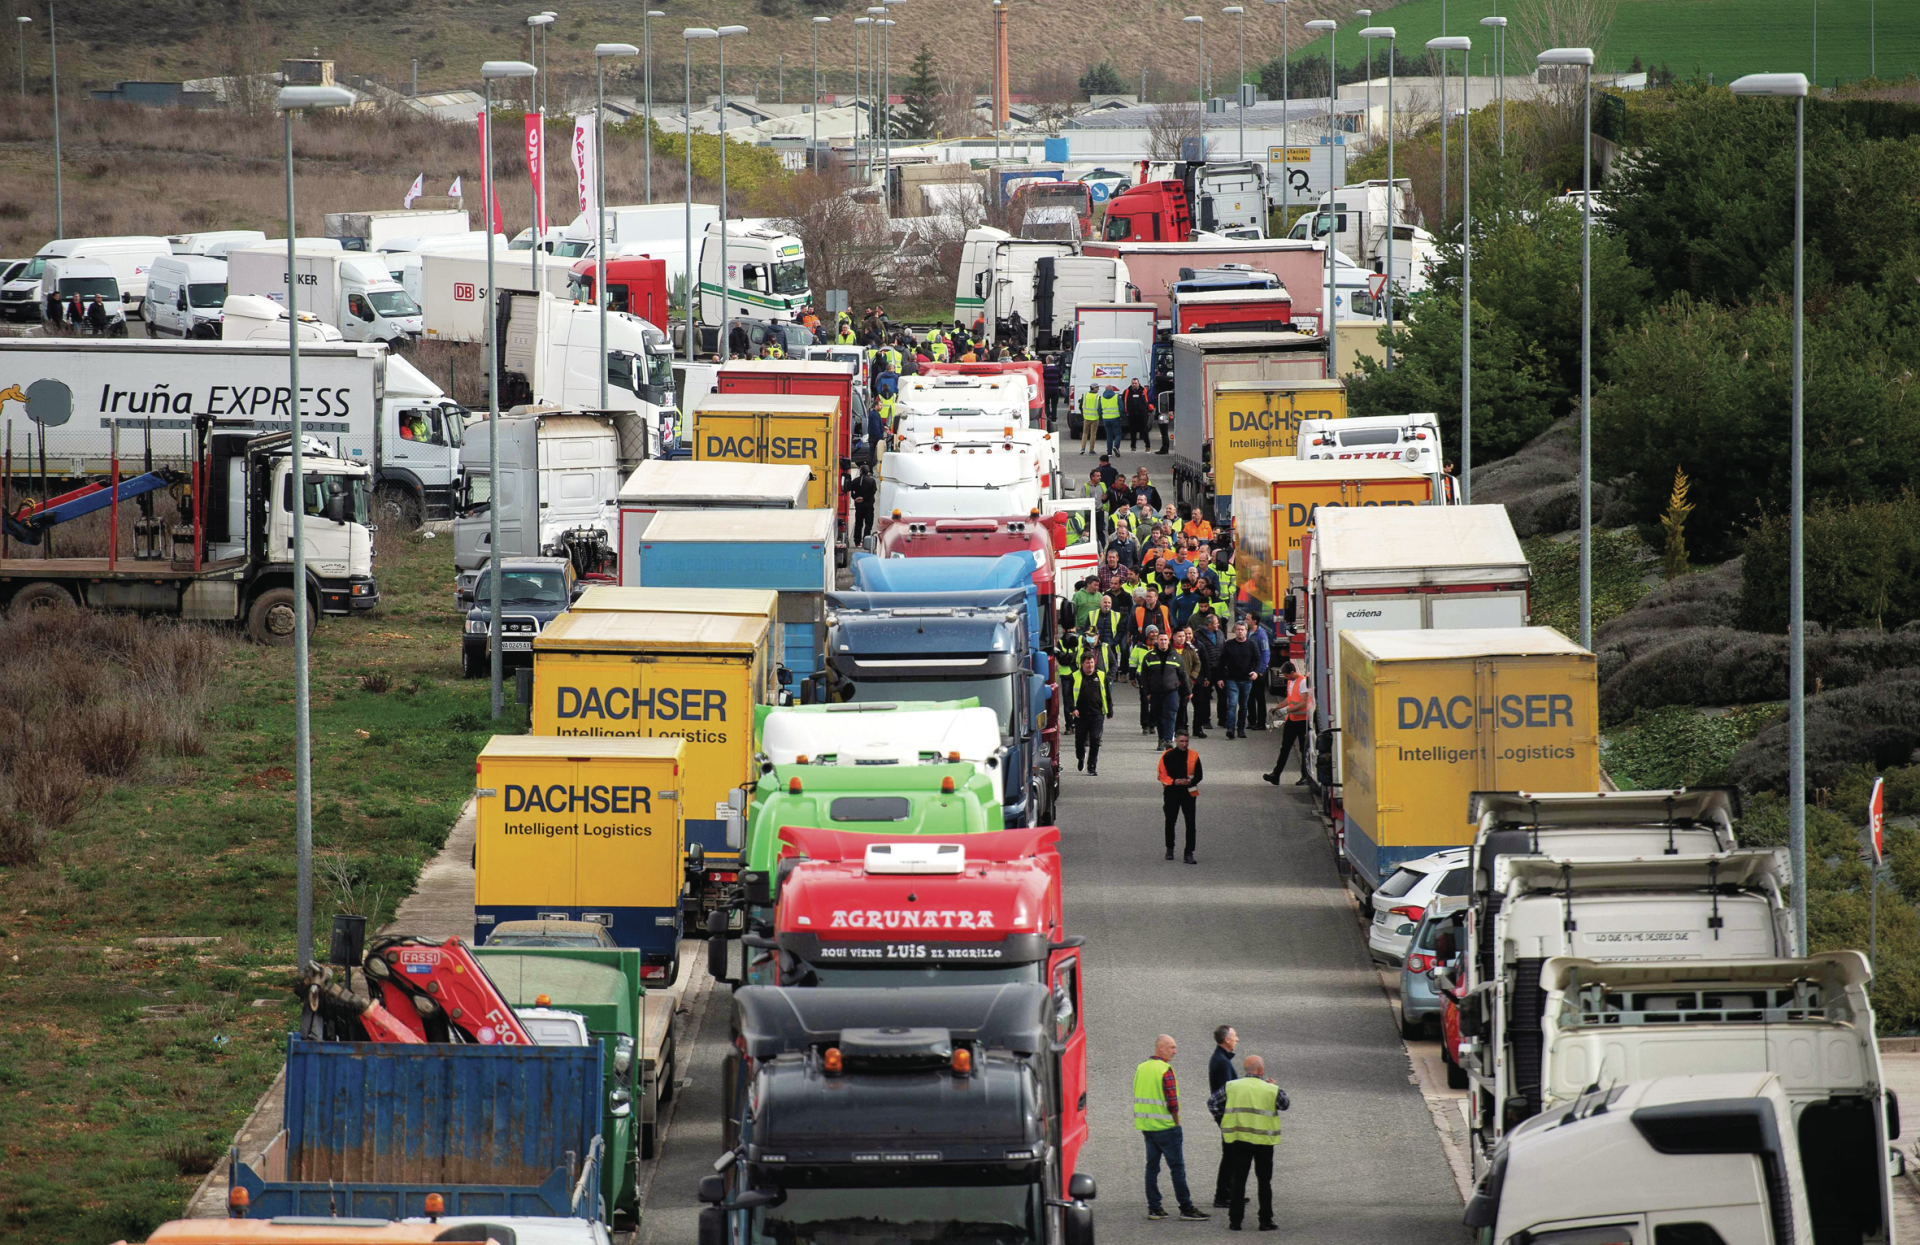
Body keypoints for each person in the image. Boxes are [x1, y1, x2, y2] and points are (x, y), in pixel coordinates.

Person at [1134, 1035, 1208, 1222]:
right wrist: (1176, 1122)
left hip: (1147, 1126)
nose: (1175, 1051)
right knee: (1177, 1168)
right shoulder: (1165, 1070)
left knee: (1152, 1168)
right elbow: (1172, 1102)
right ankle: (1186, 1207)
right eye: (1172, 1047)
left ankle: (1154, 1208)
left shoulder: (1141, 1068)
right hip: (1166, 1127)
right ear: (1160, 1047)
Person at [1219, 1055, 1286, 1231]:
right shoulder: (1270, 1089)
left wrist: (1224, 1120)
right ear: (1261, 1071)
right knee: (1264, 1182)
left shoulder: (1232, 1086)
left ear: (1246, 1070)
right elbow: (1285, 1104)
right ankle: (1265, 1220)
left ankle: (1235, 1221)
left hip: (1240, 1140)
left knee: (1238, 1180)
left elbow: (1213, 1103)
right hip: (1264, 1142)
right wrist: (1273, 1086)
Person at [1263, 661, 1313, 786]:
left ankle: (1305, 777)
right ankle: (1276, 775)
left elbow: (1303, 702)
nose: (1285, 678)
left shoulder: (1303, 682)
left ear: (1292, 672)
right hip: (1291, 720)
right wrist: (1278, 707)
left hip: (1302, 721)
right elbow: (1289, 699)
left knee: (1303, 749)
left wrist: (1287, 710)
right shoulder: (1291, 681)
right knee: (1285, 748)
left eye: (1286, 675)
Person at [1208, 1025, 1240, 1210]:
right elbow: (1228, 1092)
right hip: (1228, 1116)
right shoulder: (1223, 1062)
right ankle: (1222, 1195)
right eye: (1235, 1036)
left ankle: (1231, 1192)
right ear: (1227, 1040)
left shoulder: (1221, 1059)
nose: (1237, 1039)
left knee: (1232, 1154)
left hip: (1225, 1116)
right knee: (1230, 1155)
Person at [1158, 732, 1203, 863]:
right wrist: (1175, 782)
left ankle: (1189, 852)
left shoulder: (1194, 755)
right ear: (1176, 741)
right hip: (1172, 792)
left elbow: (1199, 775)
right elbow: (1161, 775)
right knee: (1170, 821)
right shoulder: (1167, 755)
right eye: (1181, 741)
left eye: (1186, 741)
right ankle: (1170, 848)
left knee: (1190, 823)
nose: (1184, 744)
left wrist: (1191, 782)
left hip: (1189, 792)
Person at [1139, 631, 1188, 749]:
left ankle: (1168, 740)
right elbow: (1144, 676)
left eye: (1165, 640)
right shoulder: (1149, 656)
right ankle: (1161, 739)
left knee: (1170, 715)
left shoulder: (1175, 656)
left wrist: (1188, 691)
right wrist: (1147, 692)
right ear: (1157, 641)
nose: (1163, 642)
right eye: (1161, 640)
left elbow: (1183, 674)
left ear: (1169, 640)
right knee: (1158, 715)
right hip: (1155, 692)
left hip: (1171, 691)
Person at [1067, 652, 1111, 775]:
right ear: (1082, 664)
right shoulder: (1075, 676)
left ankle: (1092, 766)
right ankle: (1080, 757)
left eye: (1092, 663)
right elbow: (1069, 695)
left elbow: (1107, 694)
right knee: (1080, 740)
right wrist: (1072, 708)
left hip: (1097, 714)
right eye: (1087, 663)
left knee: (1095, 739)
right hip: (1080, 714)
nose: (1090, 665)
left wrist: (1109, 711)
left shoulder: (1101, 675)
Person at [1218, 618, 1258, 739]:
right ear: (1235, 631)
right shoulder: (1228, 644)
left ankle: (1241, 729)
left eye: (1242, 630)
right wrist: (1220, 678)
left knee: (1244, 706)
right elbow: (1221, 662)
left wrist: (1256, 672)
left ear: (1246, 631)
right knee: (1232, 704)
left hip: (1246, 680)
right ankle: (1231, 729)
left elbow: (1258, 660)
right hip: (1232, 680)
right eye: (1238, 630)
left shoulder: (1252, 645)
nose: (1240, 632)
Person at [1247, 614, 1271, 731]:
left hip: (1258, 671)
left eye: (1247, 619)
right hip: (1249, 670)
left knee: (1259, 698)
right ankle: (1251, 720)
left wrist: (1261, 670)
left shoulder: (1261, 634)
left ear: (1254, 621)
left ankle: (1261, 722)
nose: (1245, 621)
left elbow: (1266, 653)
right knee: (1249, 697)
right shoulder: (1248, 632)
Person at [849, 464, 878, 548]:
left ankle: (857, 541)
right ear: (868, 471)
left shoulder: (855, 481)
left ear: (860, 471)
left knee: (858, 523)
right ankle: (866, 540)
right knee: (868, 523)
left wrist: (856, 498)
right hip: (868, 505)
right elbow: (873, 492)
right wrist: (864, 498)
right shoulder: (871, 481)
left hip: (858, 506)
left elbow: (851, 491)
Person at [1125, 377, 1153, 451]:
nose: (1134, 385)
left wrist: (1149, 410)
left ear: (1138, 383)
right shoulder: (1127, 391)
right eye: (1133, 383)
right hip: (1131, 414)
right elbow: (1124, 402)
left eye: (1135, 383)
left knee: (1144, 431)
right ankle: (1133, 447)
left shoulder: (1144, 391)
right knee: (1132, 431)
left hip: (1142, 414)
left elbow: (1149, 401)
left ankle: (1148, 446)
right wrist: (1126, 412)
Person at [1099, 384, 1125, 456]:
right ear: (1112, 389)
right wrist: (1122, 416)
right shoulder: (1116, 396)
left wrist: (1101, 417)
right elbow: (1121, 407)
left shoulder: (1101, 398)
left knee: (1109, 435)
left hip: (1106, 419)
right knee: (1118, 434)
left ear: (1105, 390)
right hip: (1115, 418)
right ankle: (1116, 447)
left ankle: (1109, 453)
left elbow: (1099, 409)